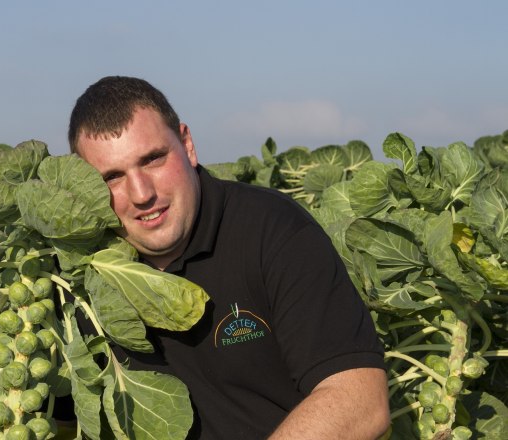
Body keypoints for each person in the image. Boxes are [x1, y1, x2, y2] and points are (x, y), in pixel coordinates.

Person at [67, 75, 390, 439]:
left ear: (187, 144)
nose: (142, 194)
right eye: (112, 177)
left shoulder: (274, 231)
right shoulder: (77, 282)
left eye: (153, 159)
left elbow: (360, 401)